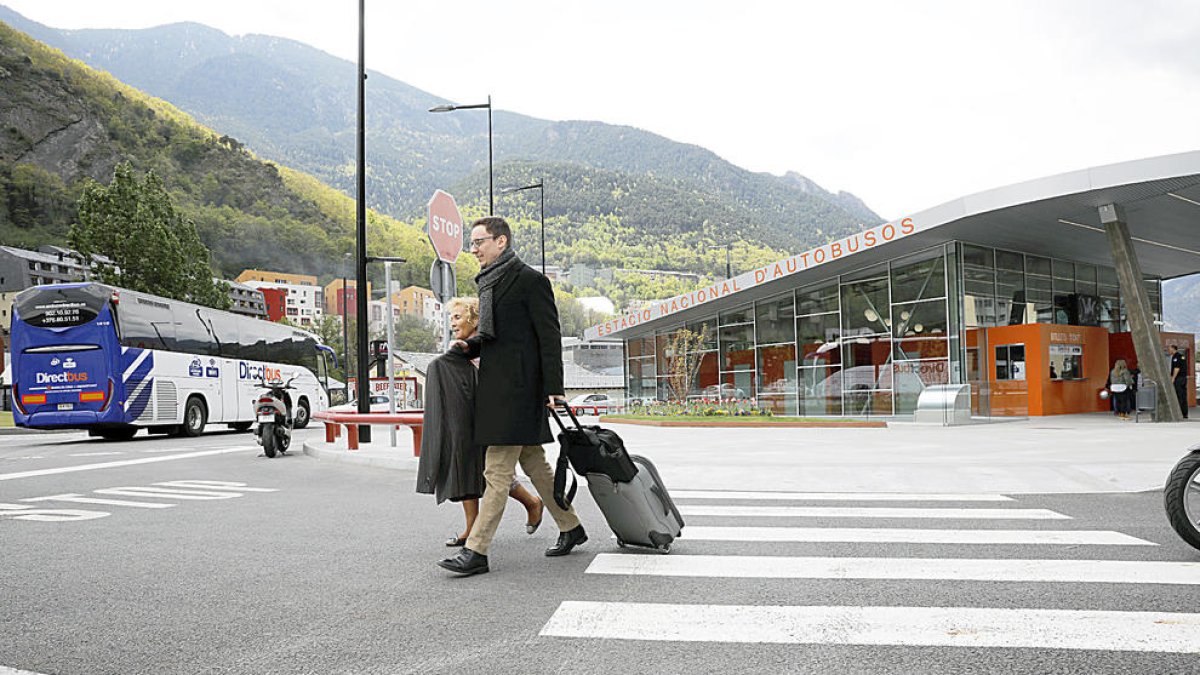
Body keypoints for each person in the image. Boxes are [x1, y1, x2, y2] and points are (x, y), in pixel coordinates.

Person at [438, 216, 586, 576]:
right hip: (498, 389)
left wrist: (555, 388)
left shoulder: (530, 281)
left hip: (520, 391)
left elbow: (548, 337)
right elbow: (494, 338)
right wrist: (468, 345)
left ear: (501, 241)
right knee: (535, 464)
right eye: (471, 243)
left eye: (479, 242)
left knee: (496, 471)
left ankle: (477, 550)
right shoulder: (489, 282)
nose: (473, 249)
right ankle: (572, 527)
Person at [416, 297, 544, 546]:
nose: (453, 323)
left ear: (475, 319)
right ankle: (472, 528)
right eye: (451, 318)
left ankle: (532, 502)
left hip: (498, 417)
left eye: (458, 317)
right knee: (466, 464)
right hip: (472, 417)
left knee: (495, 471)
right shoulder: (460, 351)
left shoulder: (490, 345)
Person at [1170, 345, 1189, 419]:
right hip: (1184, 378)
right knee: (1183, 396)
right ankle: (1185, 413)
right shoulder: (1182, 356)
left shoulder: (1176, 357)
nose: (1169, 350)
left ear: (1173, 349)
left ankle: (1179, 413)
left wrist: (1173, 378)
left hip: (1179, 379)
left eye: (1170, 349)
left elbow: (1176, 368)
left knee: (1179, 395)